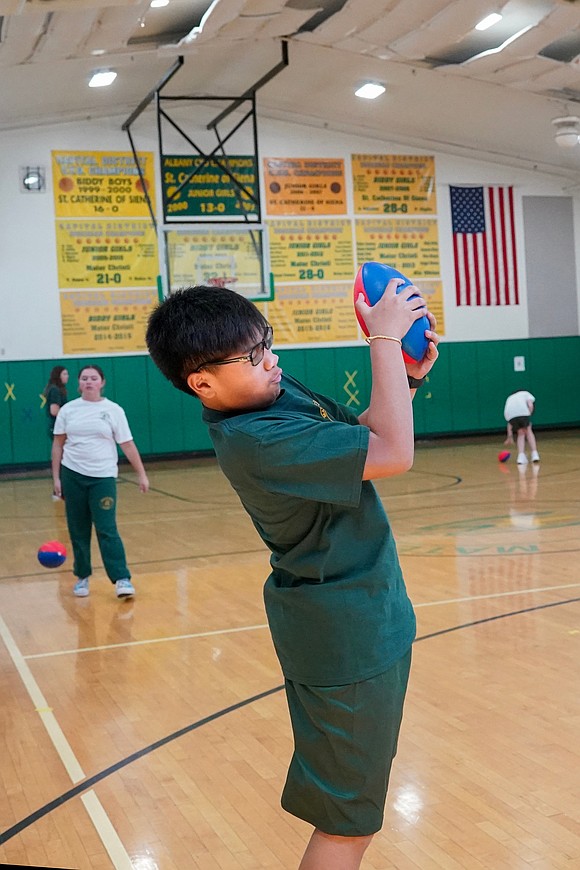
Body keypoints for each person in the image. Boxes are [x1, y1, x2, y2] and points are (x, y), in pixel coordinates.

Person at [146, 282, 439, 870]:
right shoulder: (255, 439)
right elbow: (393, 454)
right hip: (344, 635)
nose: (271, 359)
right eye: (252, 356)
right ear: (202, 382)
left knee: (350, 813)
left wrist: (403, 375)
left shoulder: (268, 398)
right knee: (346, 824)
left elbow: (361, 438)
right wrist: (380, 338)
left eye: (267, 343)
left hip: (365, 615)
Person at [51, 364, 149, 599]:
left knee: (107, 528)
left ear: (102, 382)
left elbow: (127, 444)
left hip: (103, 477)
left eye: (93, 378)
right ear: (79, 383)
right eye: (84, 378)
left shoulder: (113, 410)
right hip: (72, 475)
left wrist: (141, 473)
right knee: (78, 529)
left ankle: (122, 578)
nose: (89, 382)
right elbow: (58, 444)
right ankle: (82, 577)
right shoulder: (68, 410)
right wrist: (56, 478)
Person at [43, 365, 70, 500]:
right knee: (61, 458)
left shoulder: (57, 389)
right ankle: (59, 490)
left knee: (63, 458)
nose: (67, 376)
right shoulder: (55, 390)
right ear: (58, 375)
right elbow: (54, 410)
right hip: (56, 428)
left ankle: (61, 489)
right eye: (65, 374)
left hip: (58, 428)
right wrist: (70, 416)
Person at [503, 389, 540, 465]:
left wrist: (509, 436)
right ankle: (534, 454)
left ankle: (520, 457)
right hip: (522, 413)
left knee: (521, 433)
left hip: (509, 415)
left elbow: (509, 423)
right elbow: (530, 405)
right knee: (528, 431)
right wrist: (528, 415)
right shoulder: (527, 394)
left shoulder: (510, 398)